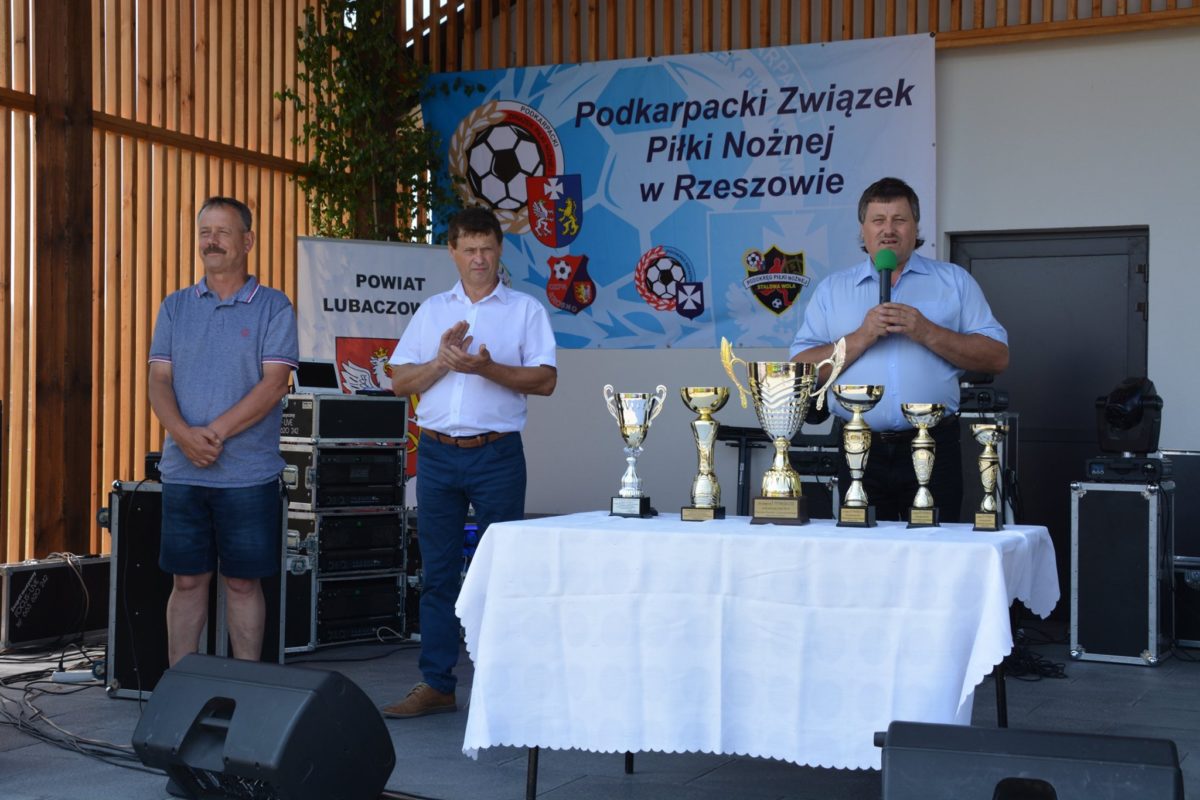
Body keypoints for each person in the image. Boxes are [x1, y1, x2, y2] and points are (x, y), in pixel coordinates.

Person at [384, 206, 557, 718]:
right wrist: (442, 361)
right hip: (437, 453)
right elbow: (398, 381)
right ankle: (436, 684)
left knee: (502, 573)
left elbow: (545, 380)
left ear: (500, 250)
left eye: (487, 249)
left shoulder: (525, 310)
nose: (479, 259)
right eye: (469, 250)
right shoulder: (432, 311)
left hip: (496, 454)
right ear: (452, 253)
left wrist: (487, 368)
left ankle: (503, 685)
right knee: (438, 574)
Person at [790, 177, 1009, 523]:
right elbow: (798, 372)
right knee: (862, 549)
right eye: (878, 220)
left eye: (899, 220)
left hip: (934, 445)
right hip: (858, 447)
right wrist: (861, 336)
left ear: (916, 227)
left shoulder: (954, 281)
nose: (888, 230)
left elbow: (997, 357)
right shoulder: (833, 290)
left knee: (936, 545)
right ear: (863, 230)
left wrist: (927, 332)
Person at [148, 196, 298, 667]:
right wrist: (183, 436)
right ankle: (181, 686)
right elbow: (158, 380)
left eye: (223, 232)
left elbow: (274, 385)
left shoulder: (273, 306)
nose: (211, 242)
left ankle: (246, 686)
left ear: (248, 241)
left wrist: (209, 434)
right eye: (204, 232)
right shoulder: (175, 307)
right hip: (183, 471)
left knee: (243, 583)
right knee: (186, 581)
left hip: (247, 475)